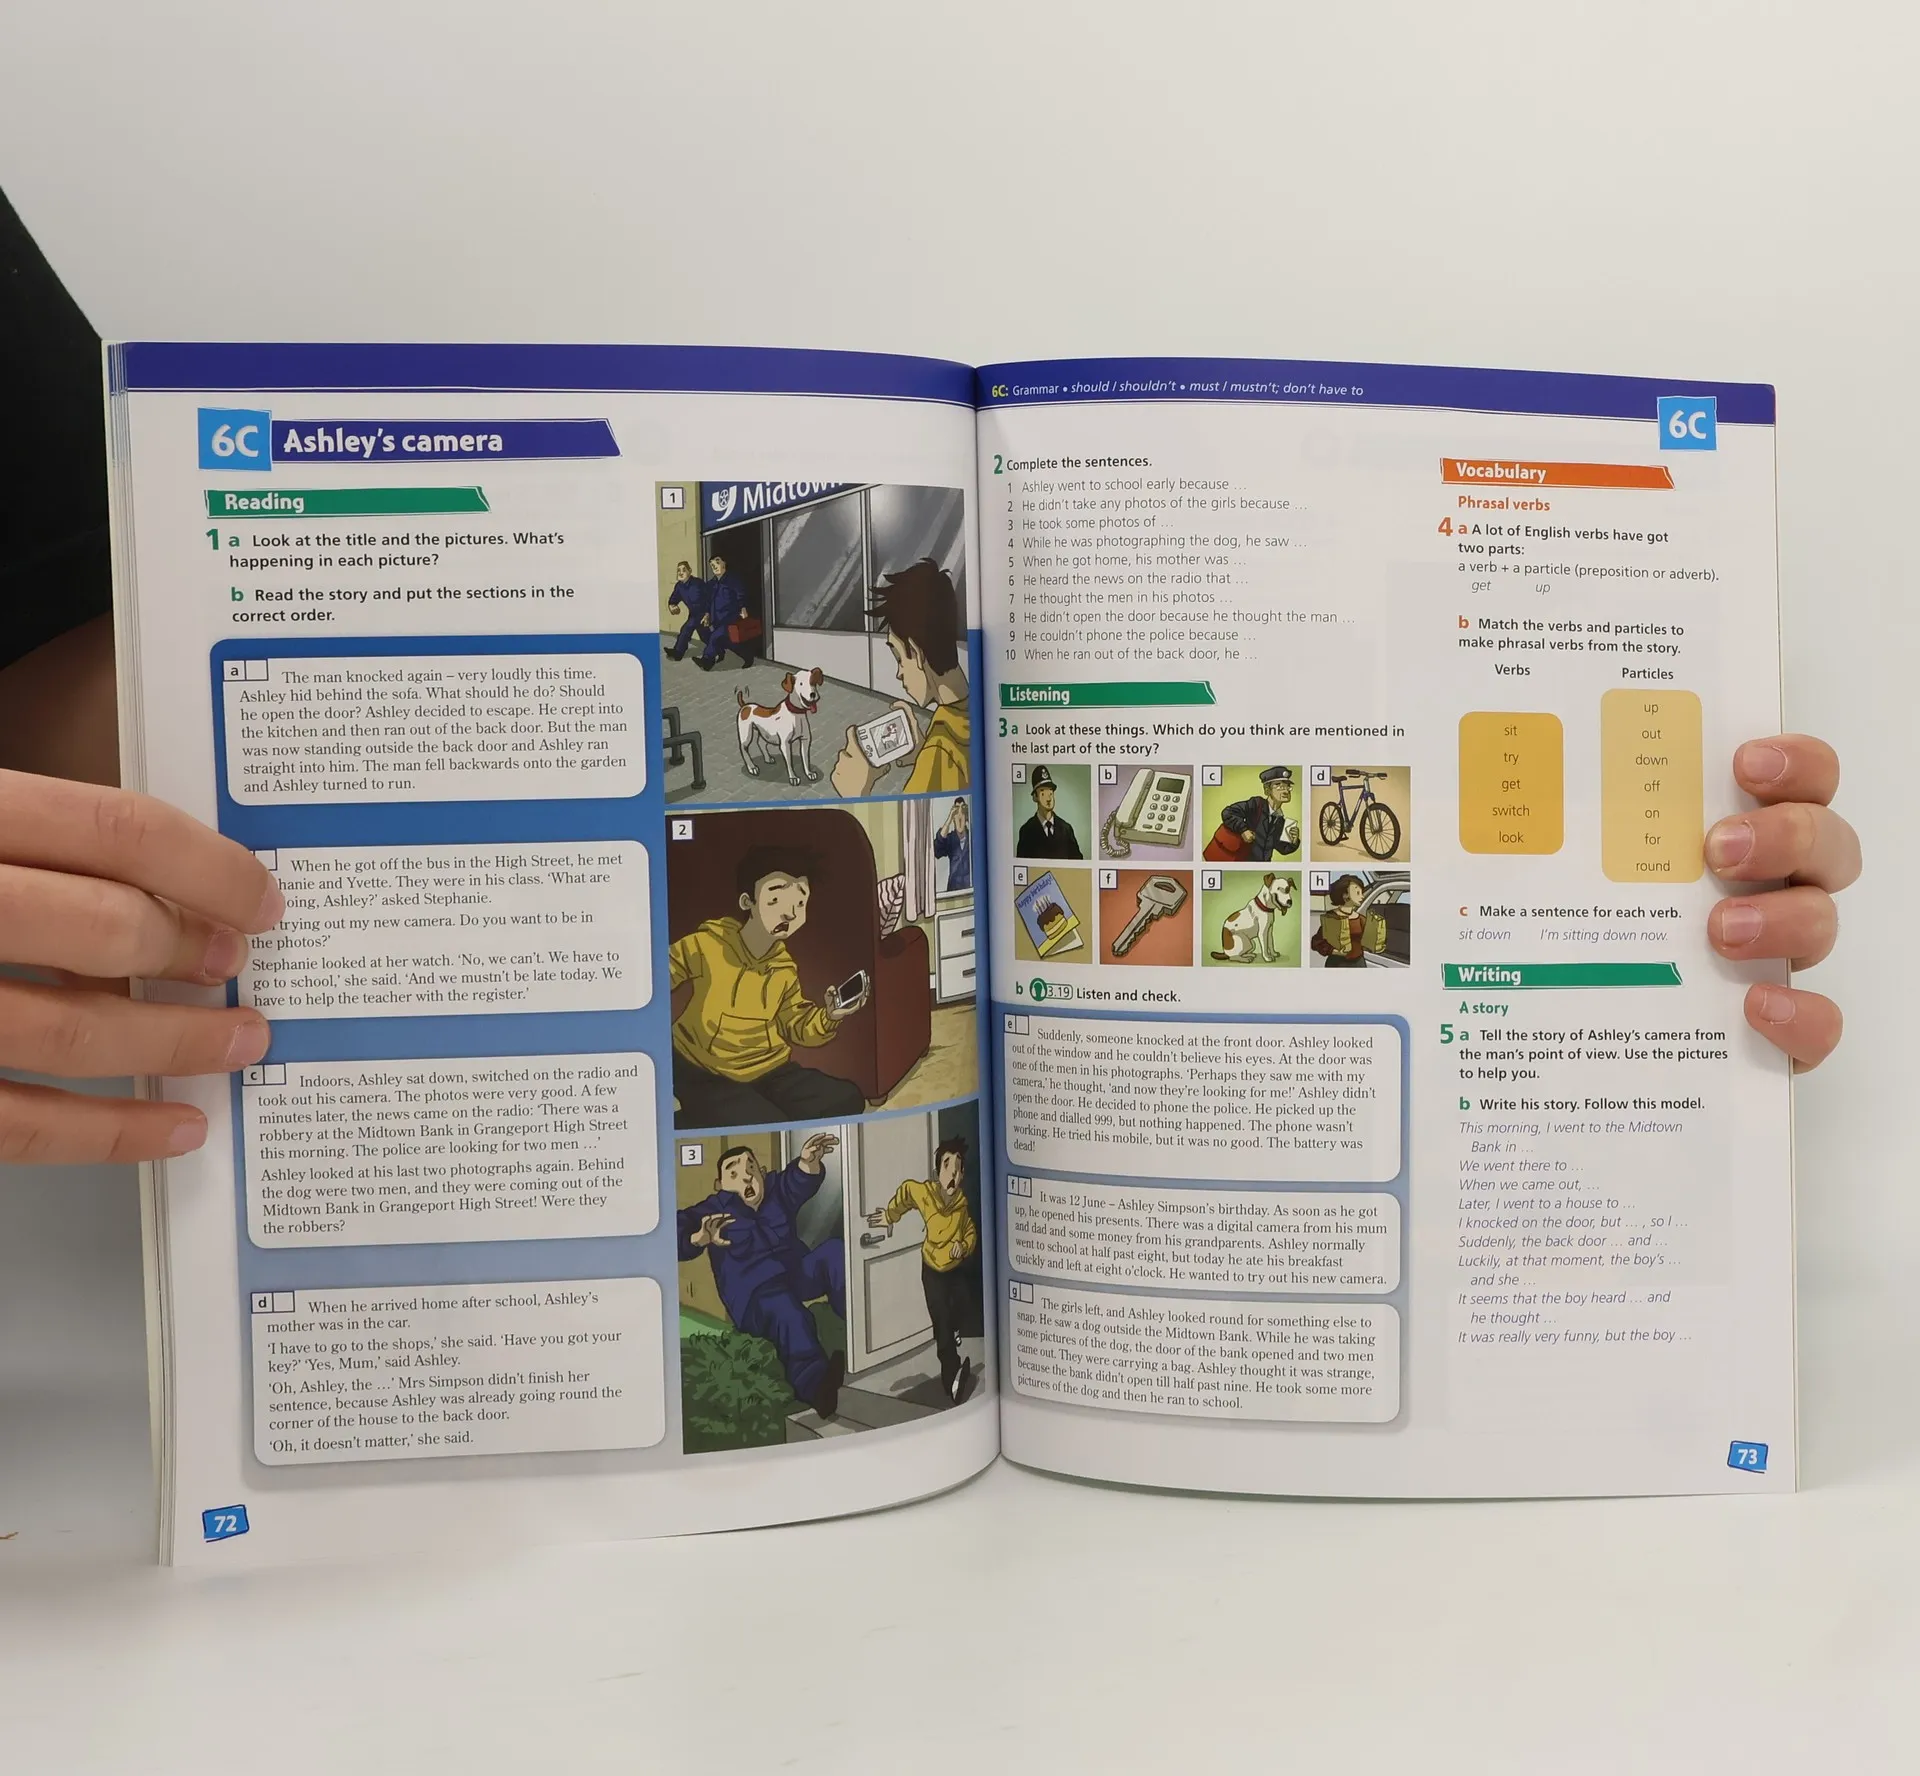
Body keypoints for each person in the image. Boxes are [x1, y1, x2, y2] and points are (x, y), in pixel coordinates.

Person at [0, 187, 1868, 1167]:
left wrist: (1583, 909)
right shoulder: (734, 930)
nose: (786, 903)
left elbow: (84, 722)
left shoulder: (870, 805)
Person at [667, 846, 870, 1128]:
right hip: (703, 1067)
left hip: (768, 1068)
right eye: (775, 899)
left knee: (848, 1098)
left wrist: (829, 1016)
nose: (789, 913)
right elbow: (659, 975)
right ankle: (691, 1118)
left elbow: (796, 1024)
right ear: (747, 901)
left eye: (800, 903)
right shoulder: (707, 944)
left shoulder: (784, 968)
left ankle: (721, 1113)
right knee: (769, 1123)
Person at [680, 1136, 847, 1418]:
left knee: (834, 1252)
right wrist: (698, 1238)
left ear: (761, 1171)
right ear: (720, 1184)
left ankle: (854, 1321)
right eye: (734, 1173)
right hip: (756, 1294)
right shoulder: (714, 1209)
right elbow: (678, 1228)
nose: (746, 1176)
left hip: (794, 1273)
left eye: (750, 1167)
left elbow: (796, 1181)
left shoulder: (775, 1191)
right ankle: (816, 1387)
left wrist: (807, 1163)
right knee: (789, 1313)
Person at [830, 558, 971, 797]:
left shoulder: (939, 755)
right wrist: (922, 750)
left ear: (916, 653)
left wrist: (855, 793)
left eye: (898, 658)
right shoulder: (964, 712)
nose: (899, 673)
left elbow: (911, 821)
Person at [868, 1135, 981, 1405]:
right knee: (941, 1323)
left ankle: (955, 1329)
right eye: (947, 1166)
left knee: (964, 1304)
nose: (953, 1174)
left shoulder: (961, 1205)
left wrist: (963, 1246)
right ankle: (951, 1377)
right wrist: (890, 1216)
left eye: (958, 1168)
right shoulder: (925, 1193)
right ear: (936, 1172)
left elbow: (970, 1231)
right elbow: (907, 1191)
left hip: (954, 1270)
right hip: (932, 1270)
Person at [1204, 765, 1301, 862]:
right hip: (1242, 862)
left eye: (1287, 786)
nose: (1285, 790)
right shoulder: (1256, 804)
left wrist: (1293, 841)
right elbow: (1228, 812)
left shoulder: (1280, 820)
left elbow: (1282, 849)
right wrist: (1243, 830)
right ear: (1267, 790)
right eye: (1279, 785)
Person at [695, 552, 754, 670]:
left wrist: (743, 607)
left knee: (716, 636)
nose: (715, 566)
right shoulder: (711, 584)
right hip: (717, 618)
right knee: (728, 641)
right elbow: (707, 601)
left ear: (724, 563)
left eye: (717, 562)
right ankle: (746, 656)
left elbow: (741, 594)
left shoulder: (733, 580)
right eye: (712, 565)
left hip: (731, 618)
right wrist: (707, 614)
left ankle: (707, 661)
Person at [1314, 873, 1382, 968]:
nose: (1362, 896)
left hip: (1359, 963)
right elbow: (1317, 942)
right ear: (1345, 895)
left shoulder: (1361, 919)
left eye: (1361, 892)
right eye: (1357, 893)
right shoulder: (1332, 918)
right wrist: (1335, 951)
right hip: (1336, 964)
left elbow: (1368, 941)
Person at [1015, 766, 1084, 860]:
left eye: (1050, 792)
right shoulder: (1026, 831)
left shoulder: (1066, 829)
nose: (1048, 798)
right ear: (1035, 797)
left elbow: (1078, 861)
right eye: (1042, 792)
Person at [664, 559, 707, 660]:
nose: (681, 572)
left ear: (690, 571)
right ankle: (719, 649)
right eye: (678, 570)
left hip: (704, 613)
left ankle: (678, 653)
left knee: (687, 629)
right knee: (704, 635)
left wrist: (708, 613)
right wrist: (672, 605)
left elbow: (709, 598)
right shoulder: (679, 586)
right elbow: (673, 599)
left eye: (684, 570)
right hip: (693, 614)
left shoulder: (698, 583)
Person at [933, 796, 972, 892]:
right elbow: (937, 849)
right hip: (954, 890)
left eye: (962, 811)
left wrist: (969, 816)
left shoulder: (973, 837)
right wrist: (949, 818)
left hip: (971, 889)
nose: (959, 815)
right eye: (956, 812)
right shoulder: (950, 839)